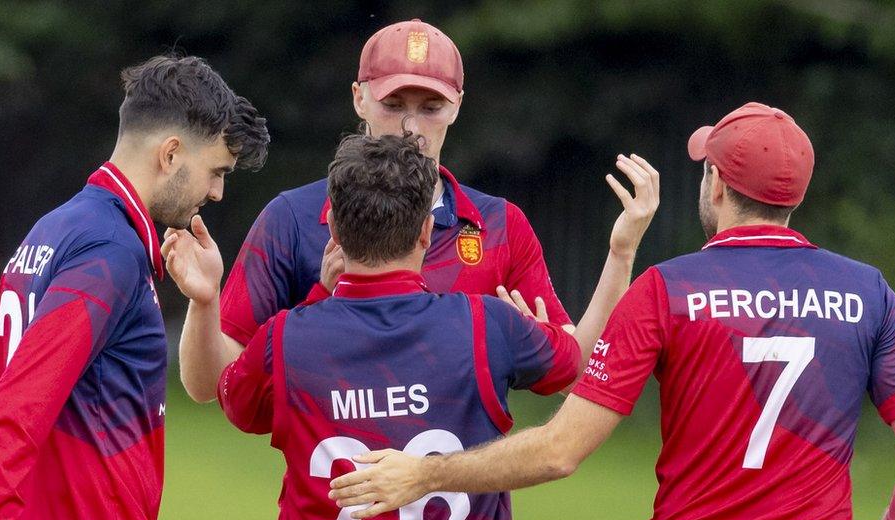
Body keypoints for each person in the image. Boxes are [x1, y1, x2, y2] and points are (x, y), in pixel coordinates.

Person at [328, 103, 895, 520]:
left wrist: (426, 474)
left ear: (714, 181)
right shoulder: (869, 294)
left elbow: (559, 451)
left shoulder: (666, 290)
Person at [200, 131, 656, 520]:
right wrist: (621, 251)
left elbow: (234, 403)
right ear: (425, 230)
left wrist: (318, 297)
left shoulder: (284, 339)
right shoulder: (489, 324)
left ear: (333, 229)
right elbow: (582, 360)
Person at [175, 19, 631, 404]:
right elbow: (211, 386)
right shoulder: (291, 218)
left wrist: (620, 253)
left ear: (457, 106)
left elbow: (573, 365)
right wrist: (205, 302)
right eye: (393, 105)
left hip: (460, 504)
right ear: (359, 98)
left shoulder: (499, 225)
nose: (411, 127)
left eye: (431, 107)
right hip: (334, 503)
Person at [0, 55, 269, 520]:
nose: (217, 192)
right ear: (171, 154)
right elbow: (15, 406)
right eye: (215, 171)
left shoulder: (55, 228)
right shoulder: (109, 250)